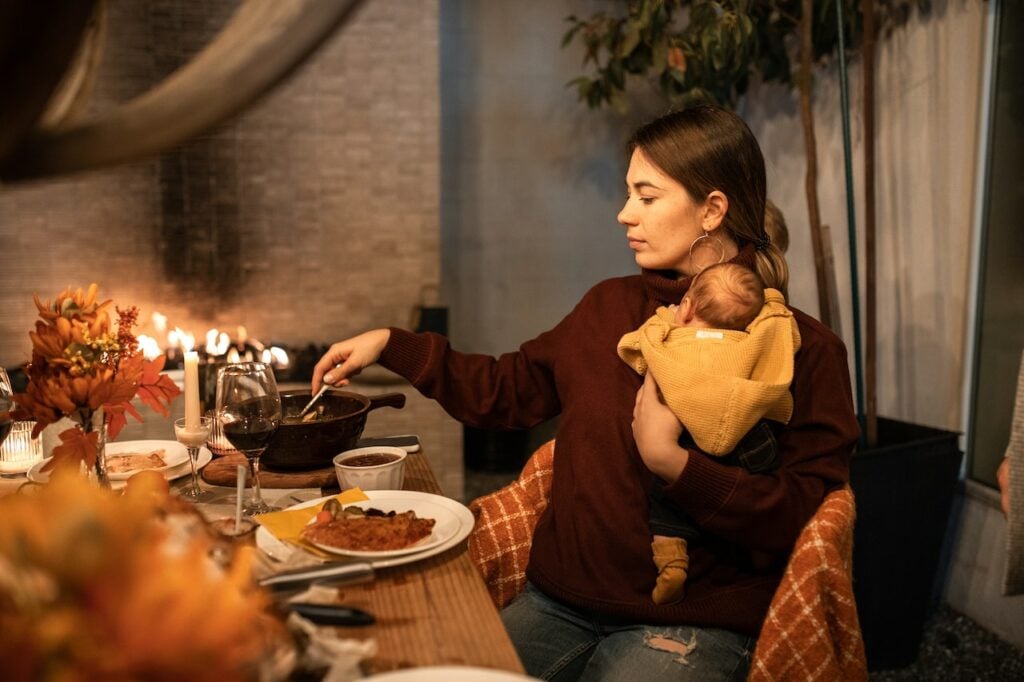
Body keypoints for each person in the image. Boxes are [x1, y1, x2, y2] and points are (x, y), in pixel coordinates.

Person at [312, 104, 859, 681]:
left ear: (712, 210)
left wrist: (670, 462)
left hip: (686, 623)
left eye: (647, 198)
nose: (624, 214)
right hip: (556, 603)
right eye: (628, 195)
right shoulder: (607, 308)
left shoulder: (803, 348)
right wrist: (391, 344)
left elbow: (803, 516)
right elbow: (507, 389)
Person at [616, 262, 801, 604]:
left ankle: (671, 563)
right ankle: (764, 552)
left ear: (686, 307)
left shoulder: (672, 341)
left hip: (689, 439)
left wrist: (663, 319)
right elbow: (785, 330)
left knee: (664, 506)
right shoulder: (750, 343)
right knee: (761, 483)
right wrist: (771, 305)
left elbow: (637, 350)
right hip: (748, 439)